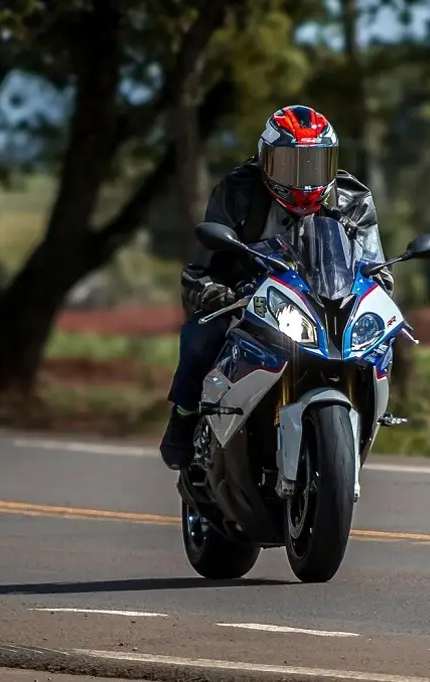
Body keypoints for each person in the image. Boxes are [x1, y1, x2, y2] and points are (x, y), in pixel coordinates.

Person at [159, 104, 394, 470]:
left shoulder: (351, 197)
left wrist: (378, 285)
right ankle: (185, 414)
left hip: (325, 301)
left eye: (313, 164)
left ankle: (364, 421)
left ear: (330, 164)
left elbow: (375, 265)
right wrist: (212, 291)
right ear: (266, 161)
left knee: (379, 342)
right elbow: (201, 268)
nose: (302, 178)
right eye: (289, 164)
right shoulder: (238, 189)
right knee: (202, 336)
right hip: (248, 296)